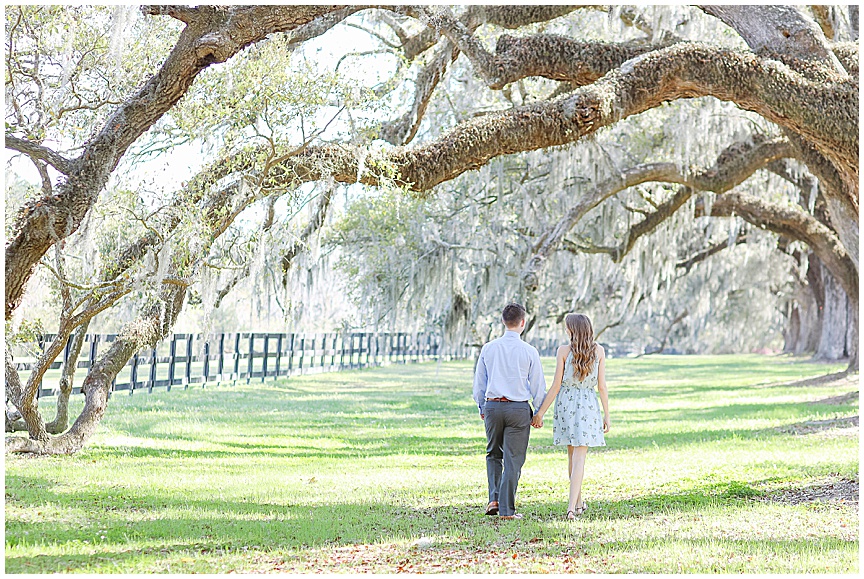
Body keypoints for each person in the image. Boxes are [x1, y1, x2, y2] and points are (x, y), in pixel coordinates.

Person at [472, 302, 547, 520]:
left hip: (493, 406)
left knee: (493, 454)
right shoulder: (529, 351)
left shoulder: (489, 348)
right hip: (518, 408)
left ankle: (493, 498)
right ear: (522, 323)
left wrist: (481, 406)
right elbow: (537, 385)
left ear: (503, 322)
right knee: (513, 459)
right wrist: (538, 412)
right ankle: (506, 510)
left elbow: (479, 384)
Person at [531, 313, 609, 520]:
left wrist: (540, 413)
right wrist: (606, 415)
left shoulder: (564, 351)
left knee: (573, 456)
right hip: (588, 404)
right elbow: (601, 386)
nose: (565, 331)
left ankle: (576, 504)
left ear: (572, 330)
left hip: (566, 404)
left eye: (567, 327)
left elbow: (556, 385)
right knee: (578, 457)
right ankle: (573, 506)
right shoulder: (599, 351)